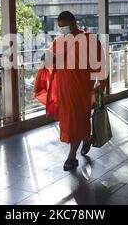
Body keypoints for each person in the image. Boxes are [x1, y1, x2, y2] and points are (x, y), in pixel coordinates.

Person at [35, 11, 107, 171]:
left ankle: (71, 156)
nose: (62, 30)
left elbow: (100, 63)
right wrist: (46, 58)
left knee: (76, 121)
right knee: (70, 123)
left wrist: (101, 84)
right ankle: (87, 138)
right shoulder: (58, 42)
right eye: (60, 27)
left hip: (81, 90)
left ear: (74, 23)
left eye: (64, 26)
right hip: (63, 90)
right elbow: (52, 61)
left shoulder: (89, 40)